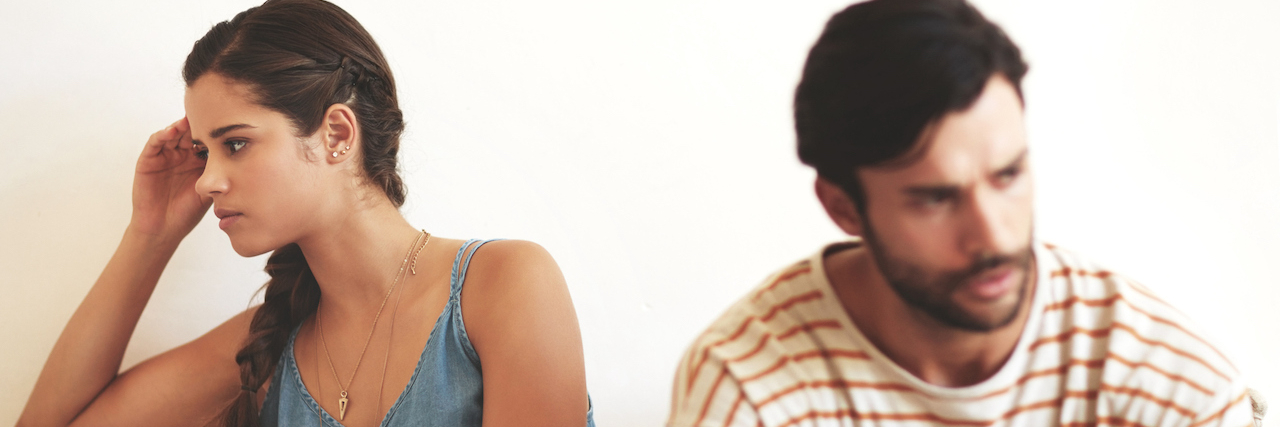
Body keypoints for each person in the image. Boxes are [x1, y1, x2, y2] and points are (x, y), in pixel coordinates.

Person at [668, 0, 1251, 426]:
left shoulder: (1164, 384)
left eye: (1008, 176)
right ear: (842, 207)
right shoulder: (747, 390)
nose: (992, 235)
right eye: (936, 199)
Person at [17, 1, 594, 426]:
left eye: (235, 143)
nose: (209, 180)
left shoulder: (502, 287)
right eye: (202, 151)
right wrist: (150, 233)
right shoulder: (267, 344)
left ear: (337, 133)